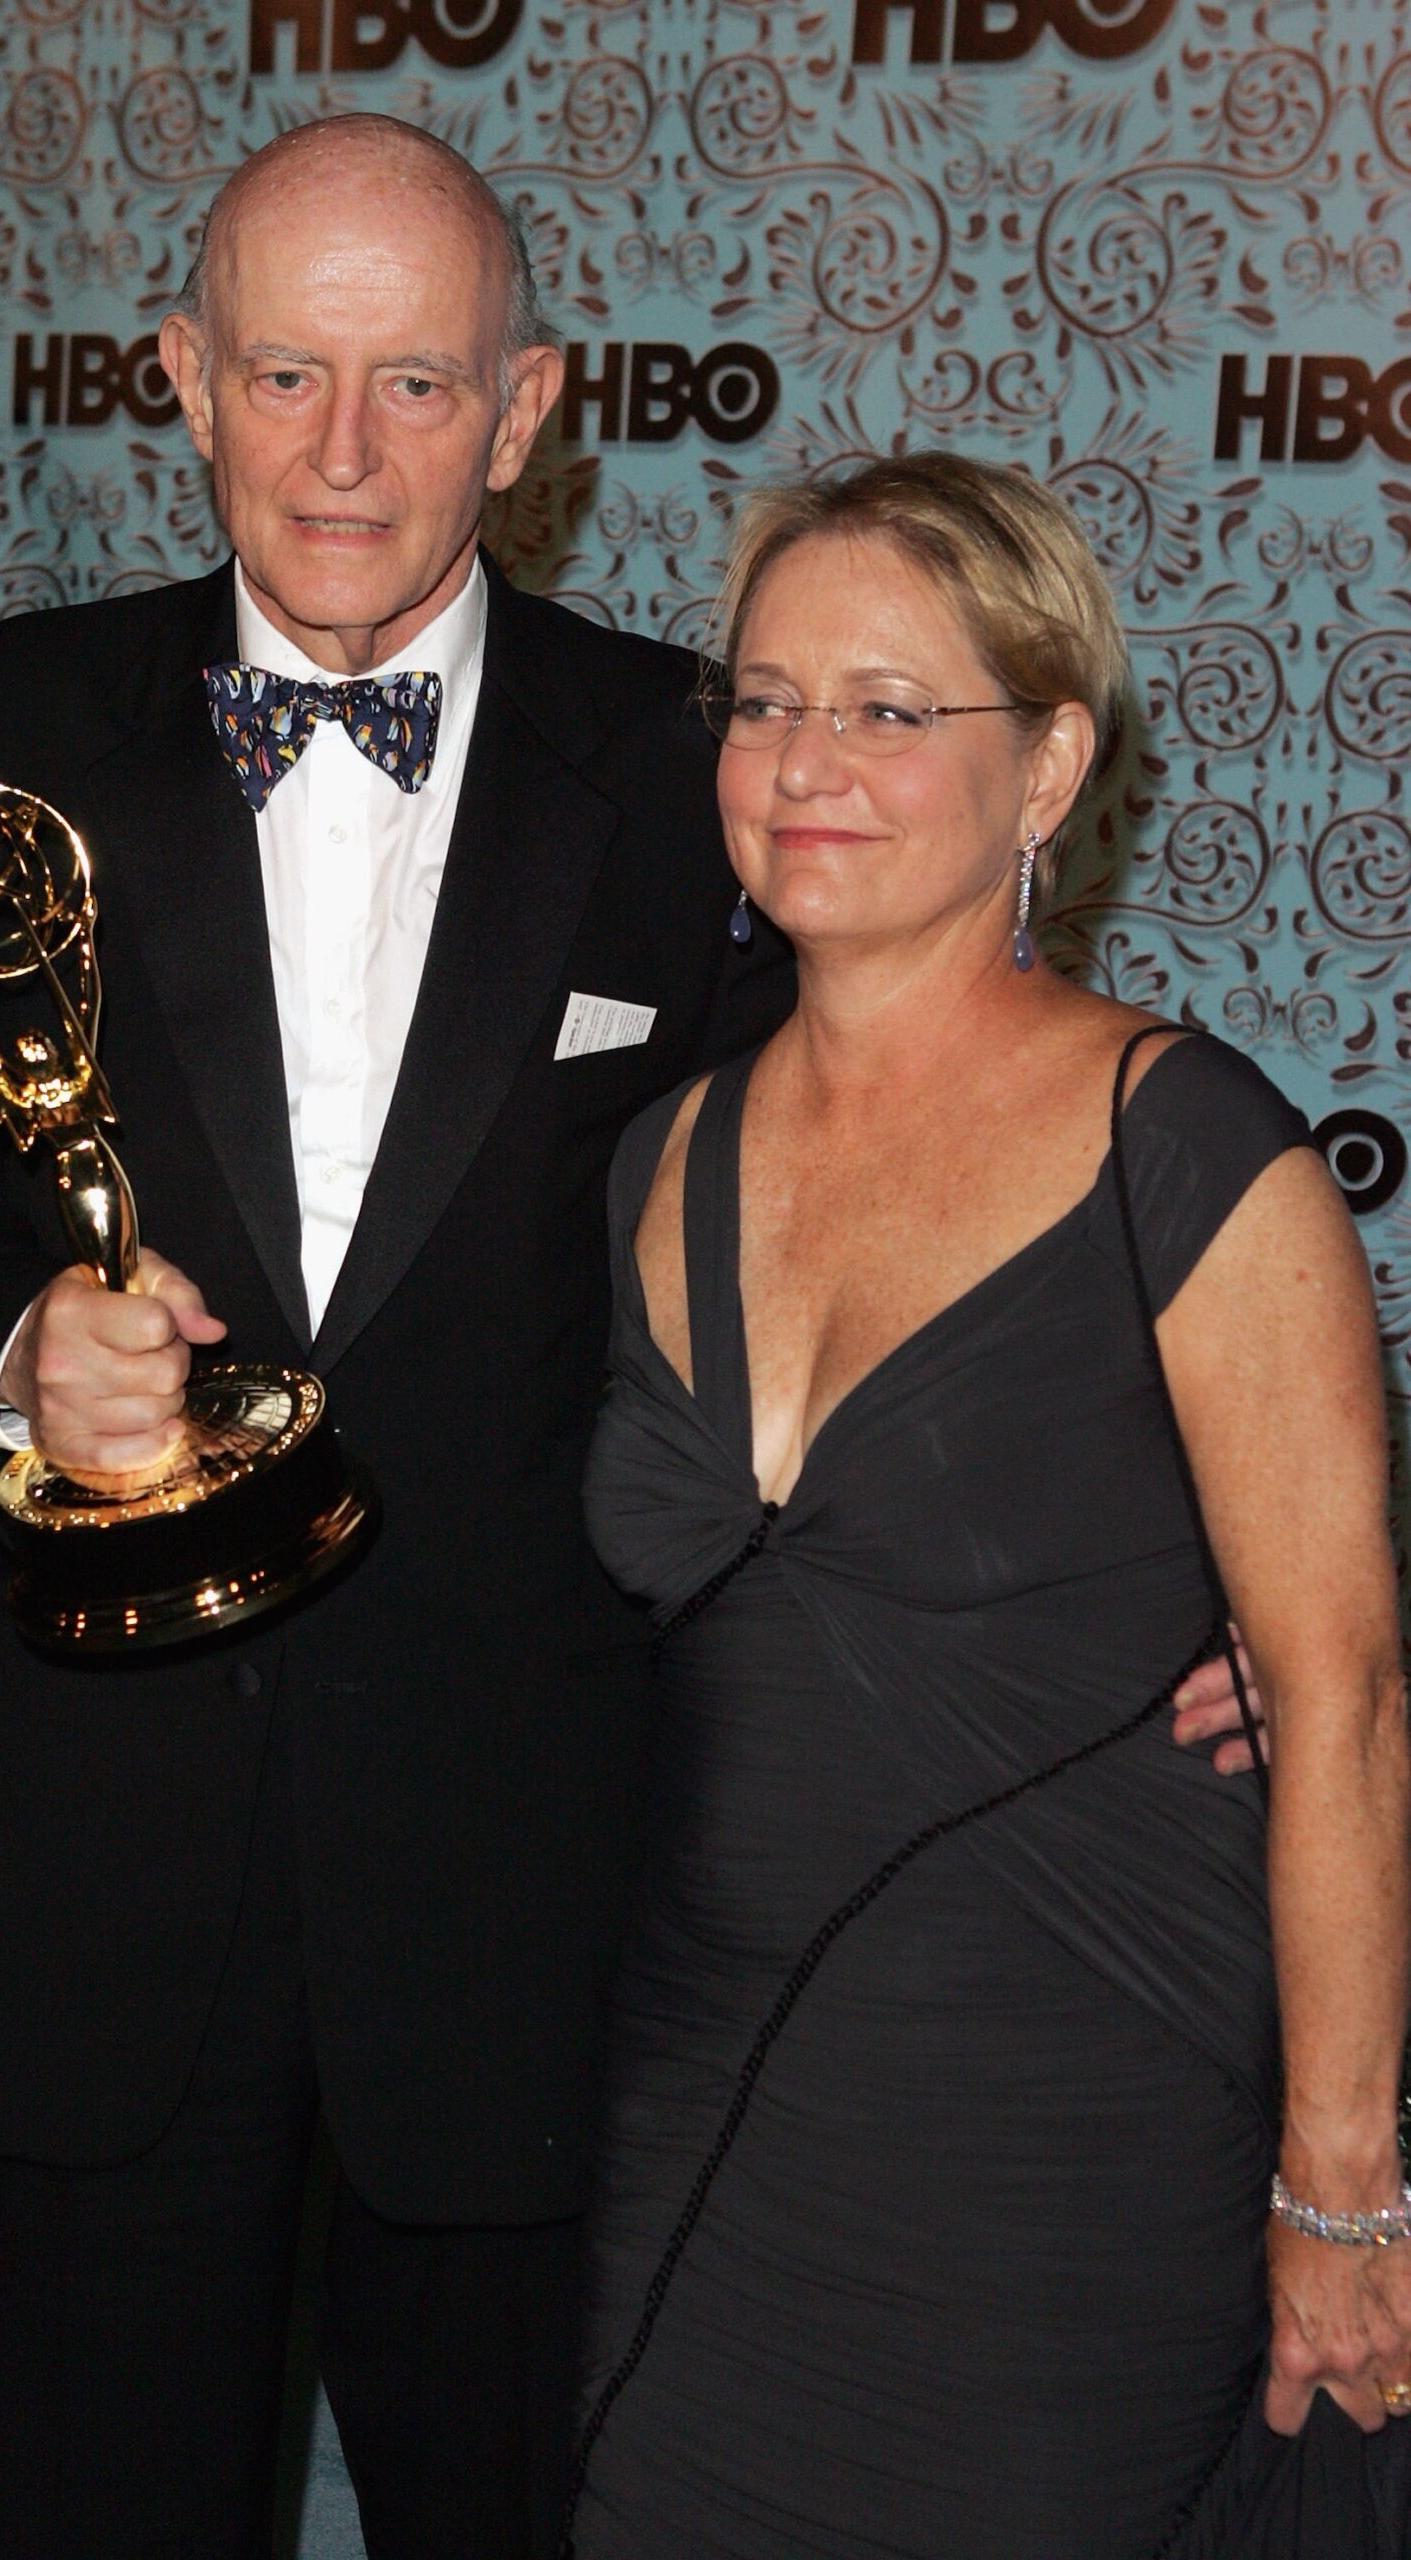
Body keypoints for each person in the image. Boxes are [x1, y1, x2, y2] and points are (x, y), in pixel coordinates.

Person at [0, 120, 1262, 2560]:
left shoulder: (706, 768)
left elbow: (916, 1185)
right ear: (182, 379)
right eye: (283, 373)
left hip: (528, 1872)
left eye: (417, 383)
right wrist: (15, 1342)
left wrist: (1189, 1560)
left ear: (530, 407)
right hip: (95, 1836)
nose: (343, 455)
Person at [569, 455, 1411, 2558]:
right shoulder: (656, 1153)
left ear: (1044, 766)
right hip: (705, 2074)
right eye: (763, 702)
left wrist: (1338, 2186)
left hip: (1072, 2092)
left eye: (885, 707)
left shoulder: (1187, 1150)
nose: (802, 764)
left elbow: (1338, 1697)